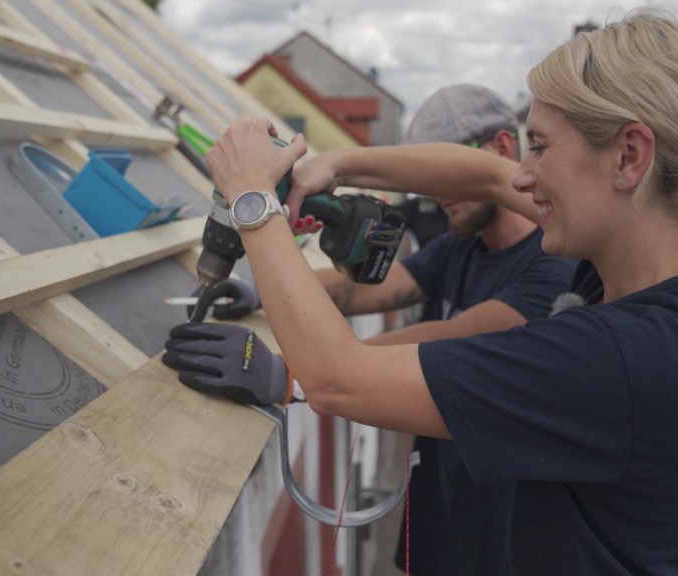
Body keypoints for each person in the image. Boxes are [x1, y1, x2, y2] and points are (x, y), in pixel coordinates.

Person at [171, 9, 678, 574]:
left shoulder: (616, 358)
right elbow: (487, 178)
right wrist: (338, 163)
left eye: (540, 148)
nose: (520, 177)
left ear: (630, 157)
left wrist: (255, 202)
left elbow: (339, 378)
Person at [166, 84, 574, 575]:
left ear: (505, 150)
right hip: (439, 528)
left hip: (498, 545)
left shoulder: (557, 271)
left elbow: (453, 339)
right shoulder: (460, 248)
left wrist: (285, 375)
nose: (436, 196)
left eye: (442, 168)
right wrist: (260, 287)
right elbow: (361, 290)